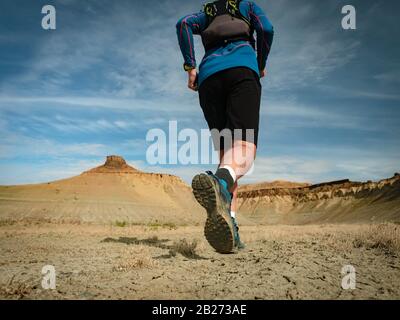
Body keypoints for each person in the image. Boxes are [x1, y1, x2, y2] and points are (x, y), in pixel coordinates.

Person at [176, 0, 274, 253]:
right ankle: (219, 184)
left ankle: (230, 226)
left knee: (228, 159)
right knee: (244, 152)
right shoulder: (246, 6)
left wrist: (190, 68)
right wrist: (260, 63)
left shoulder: (206, 12)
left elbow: (184, 24)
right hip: (241, 71)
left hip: (209, 81)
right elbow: (266, 28)